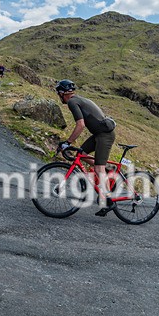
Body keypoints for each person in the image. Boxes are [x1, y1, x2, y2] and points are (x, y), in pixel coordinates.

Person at [55, 79, 117, 216]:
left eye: (58, 93)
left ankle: (108, 201)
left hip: (105, 135)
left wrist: (68, 142)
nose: (58, 96)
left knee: (98, 168)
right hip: (98, 134)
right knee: (81, 154)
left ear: (62, 93)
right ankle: (108, 169)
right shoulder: (77, 99)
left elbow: (81, 125)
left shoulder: (72, 102)